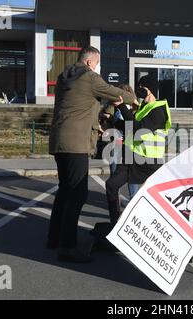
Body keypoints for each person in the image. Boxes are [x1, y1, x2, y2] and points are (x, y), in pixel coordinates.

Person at [47, 46, 137, 263]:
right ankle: (67, 247)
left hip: (59, 141)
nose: (97, 68)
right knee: (77, 194)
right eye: (96, 64)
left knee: (64, 191)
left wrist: (98, 116)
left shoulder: (63, 77)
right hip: (75, 144)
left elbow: (80, 105)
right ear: (89, 63)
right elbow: (116, 92)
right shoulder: (89, 78)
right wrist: (133, 99)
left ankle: (54, 238)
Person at [105, 75, 172, 226]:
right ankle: (115, 225)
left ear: (150, 90)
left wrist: (122, 106)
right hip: (132, 158)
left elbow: (138, 130)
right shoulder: (143, 108)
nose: (139, 90)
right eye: (138, 87)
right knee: (111, 185)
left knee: (153, 200)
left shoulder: (159, 110)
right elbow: (130, 129)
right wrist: (111, 121)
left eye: (142, 87)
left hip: (148, 163)